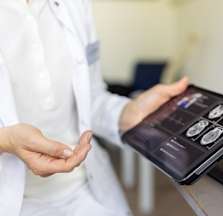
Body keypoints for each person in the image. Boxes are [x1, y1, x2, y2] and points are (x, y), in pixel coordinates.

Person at [0, 0, 189, 215]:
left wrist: (127, 112)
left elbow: (91, 98)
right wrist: (5, 141)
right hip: (12, 201)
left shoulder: (76, 4)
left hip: (86, 187)